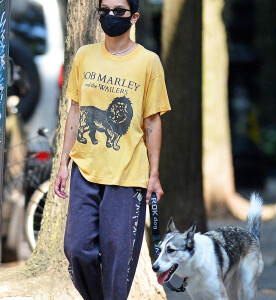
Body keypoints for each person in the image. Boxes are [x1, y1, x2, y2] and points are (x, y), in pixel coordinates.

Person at [54, 0, 170, 299]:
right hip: (86, 170)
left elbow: (153, 121)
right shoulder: (85, 56)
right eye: (104, 9)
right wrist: (64, 163)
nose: (110, 16)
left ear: (134, 17)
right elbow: (76, 111)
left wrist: (154, 175)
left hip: (128, 176)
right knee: (77, 249)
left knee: (119, 258)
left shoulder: (148, 62)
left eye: (118, 11)